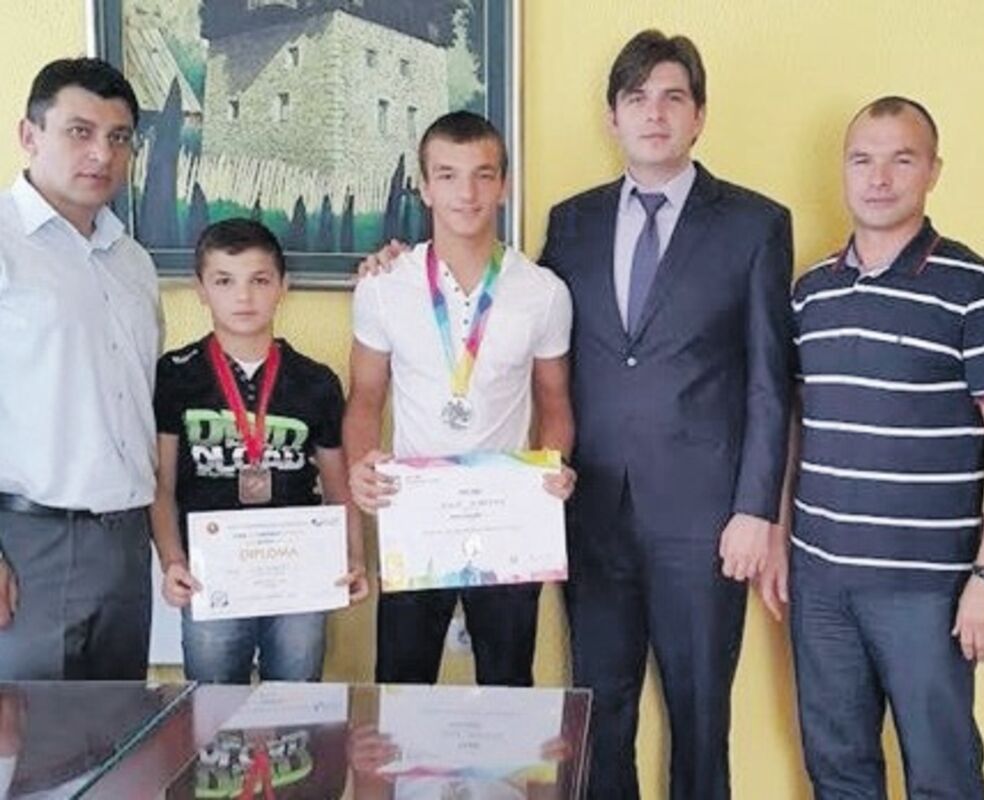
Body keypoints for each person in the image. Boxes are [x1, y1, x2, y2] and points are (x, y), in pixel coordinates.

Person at [539, 30, 793, 800]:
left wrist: (756, 510)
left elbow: (770, 380)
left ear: (699, 116)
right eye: (637, 98)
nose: (654, 113)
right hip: (591, 513)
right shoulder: (571, 222)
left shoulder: (754, 224)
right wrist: (401, 263)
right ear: (613, 117)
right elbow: (523, 329)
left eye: (673, 97)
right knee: (601, 717)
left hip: (706, 522)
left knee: (700, 717)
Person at [777, 96, 984, 799]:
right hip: (820, 584)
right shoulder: (810, 295)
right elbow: (799, 426)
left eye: (902, 160)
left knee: (944, 776)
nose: (879, 178)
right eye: (862, 160)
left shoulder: (980, 292)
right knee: (838, 774)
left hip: (928, 589)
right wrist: (780, 538)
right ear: (843, 170)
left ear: (933, 172)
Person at [344, 111, 575, 686]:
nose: (466, 194)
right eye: (447, 175)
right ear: (424, 187)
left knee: (508, 689)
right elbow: (365, 398)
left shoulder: (544, 292)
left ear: (504, 185)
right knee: (401, 690)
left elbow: (555, 404)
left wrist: (553, 469)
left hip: (508, 521)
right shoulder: (382, 286)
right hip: (414, 515)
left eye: (482, 175)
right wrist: (361, 465)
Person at [150, 218, 368, 683]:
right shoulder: (175, 374)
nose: (243, 297)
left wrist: (354, 557)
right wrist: (172, 561)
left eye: (260, 280)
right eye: (224, 281)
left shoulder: (315, 381)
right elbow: (162, 486)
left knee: (297, 706)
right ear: (201, 290)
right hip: (210, 577)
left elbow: (338, 487)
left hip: (301, 579)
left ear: (283, 287)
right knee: (214, 707)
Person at [0, 57, 158, 679]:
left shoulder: (132, 262)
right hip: (27, 543)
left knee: (119, 728)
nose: (102, 154)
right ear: (30, 134)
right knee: (27, 733)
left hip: (125, 545)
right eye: (79, 131)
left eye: (119, 137)